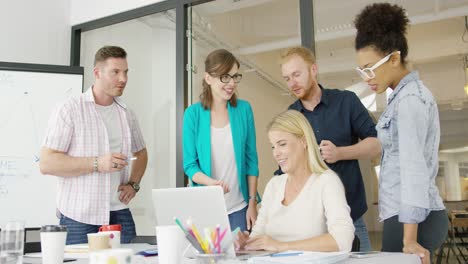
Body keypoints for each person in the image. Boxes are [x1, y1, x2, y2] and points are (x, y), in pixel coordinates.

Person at [353, 3, 447, 263]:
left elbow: (413, 170)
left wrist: (409, 240)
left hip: (414, 221)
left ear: (394, 59)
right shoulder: (402, 98)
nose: (366, 77)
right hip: (405, 216)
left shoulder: (409, 102)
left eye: (370, 68)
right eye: (361, 70)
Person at [40, 46, 148, 244]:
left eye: (125, 72)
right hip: (79, 217)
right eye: (115, 72)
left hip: (119, 213)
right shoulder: (69, 109)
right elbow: (47, 164)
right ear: (97, 73)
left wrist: (134, 184)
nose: (123, 79)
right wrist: (98, 163)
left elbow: (141, 152)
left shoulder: (127, 113)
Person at [279, 46, 380, 251]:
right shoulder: (290, 116)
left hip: (352, 219)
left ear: (313, 70)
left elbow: (376, 144)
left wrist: (341, 153)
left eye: (296, 74)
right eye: (287, 78)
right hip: (310, 226)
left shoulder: (346, 101)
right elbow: (286, 166)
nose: (292, 83)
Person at [235, 110, 354, 252]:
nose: (276, 153)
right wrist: (246, 244)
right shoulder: (274, 185)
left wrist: (280, 246)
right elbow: (259, 236)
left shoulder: (327, 182)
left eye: (282, 144)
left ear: (303, 141)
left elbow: (343, 240)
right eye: (273, 146)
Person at [183, 49, 259, 232]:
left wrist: (252, 203)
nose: (231, 83)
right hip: (206, 208)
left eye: (235, 77)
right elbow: (190, 165)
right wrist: (210, 182)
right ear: (208, 78)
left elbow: (251, 160)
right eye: (225, 77)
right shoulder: (193, 114)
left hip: (240, 209)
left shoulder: (244, 110)